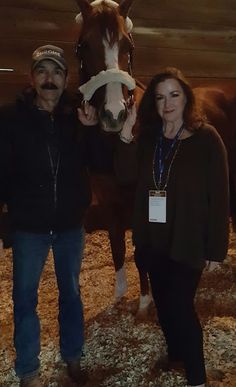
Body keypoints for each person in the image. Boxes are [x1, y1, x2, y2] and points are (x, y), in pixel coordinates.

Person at [0, 45, 98, 387]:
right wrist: (6, 223)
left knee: (71, 292)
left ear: (66, 79)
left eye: (56, 72)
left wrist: (93, 129)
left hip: (70, 225)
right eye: (42, 71)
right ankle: (28, 369)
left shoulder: (79, 116)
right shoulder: (10, 118)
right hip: (29, 227)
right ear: (31, 78)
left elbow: (99, 164)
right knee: (25, 298)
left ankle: (72, 356)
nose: (49, 79)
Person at [130, 67, 229, 387]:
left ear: (186, 97)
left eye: (174, 94)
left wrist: (216, 247)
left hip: (187, 240)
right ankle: (176, 356)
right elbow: (123, 173)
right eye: (160, 97)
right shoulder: (148, 139)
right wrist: (124, 135)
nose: (167, 103)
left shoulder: (207, 139)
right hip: (153, 240)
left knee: (181, 306)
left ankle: (197, 378)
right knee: (163, 302)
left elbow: (220, 196)